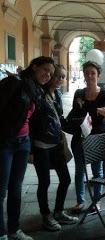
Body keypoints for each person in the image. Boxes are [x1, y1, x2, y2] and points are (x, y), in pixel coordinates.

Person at [0, 56, 55, 240]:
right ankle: (1, 234)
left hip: (23, 142)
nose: (48, 75)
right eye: (45, 70)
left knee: (16, 187)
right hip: (5, 142)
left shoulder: (36, 90)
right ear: (34, 66)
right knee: (1, 190)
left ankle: (14, 230)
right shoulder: (14, 83)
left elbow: (30, 119)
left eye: (50, 73)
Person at [30, 65, 78, 232]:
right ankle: (46, 216)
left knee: (65, 179)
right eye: (57, 76)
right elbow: (30, 122)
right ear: (50, 76)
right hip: (41, 145)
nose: (60, 80)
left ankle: (58, 212)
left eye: (63, 77)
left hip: (56, 144)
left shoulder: (57, 94)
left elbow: (60, 119)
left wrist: (80, 124)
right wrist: (30, 150)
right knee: (44, 182)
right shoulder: (38, 94)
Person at [69, 61, 105, 212]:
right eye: (87, 73)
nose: (90, 76)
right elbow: (77, 114)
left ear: (98, 75)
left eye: (93, 73)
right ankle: (80, 201)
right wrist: (96, 110)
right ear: (84, 75)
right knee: (79, 171)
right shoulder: (78, 93)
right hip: (80, 137)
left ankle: (96, 202)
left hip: (96, 138)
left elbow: (100, 119)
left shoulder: (104, 94)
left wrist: (85, 106)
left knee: (97, 172)